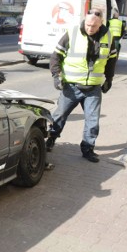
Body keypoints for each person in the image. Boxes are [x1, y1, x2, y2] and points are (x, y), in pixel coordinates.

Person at [45, 10, 118, 163]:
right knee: (59, 116)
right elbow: (55, 56)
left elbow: (111, 60)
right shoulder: (72, 33)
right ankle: (50, 140)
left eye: (94, 26)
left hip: (93, 88)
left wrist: (109, 79)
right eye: (88, 24)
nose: (90, 28)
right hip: (71, 87)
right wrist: (56, 76)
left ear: (101, 24)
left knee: (93, 121)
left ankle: (88, 149)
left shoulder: (108, 36)